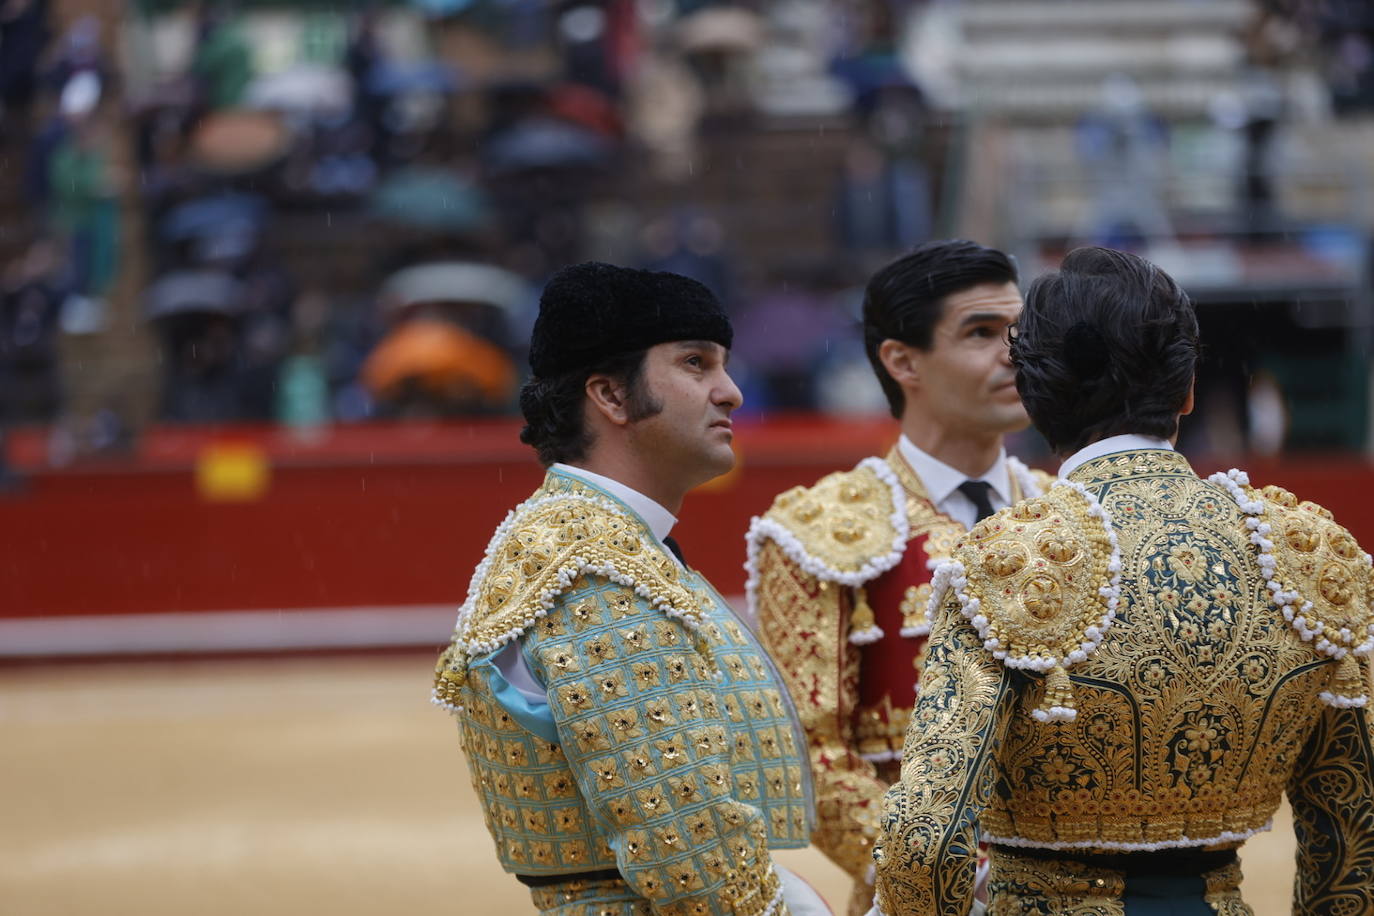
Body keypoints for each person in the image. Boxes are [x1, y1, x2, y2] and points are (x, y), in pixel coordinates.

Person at [873, 247, 1374, 915]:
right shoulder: (1304, 552)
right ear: (1188, 388)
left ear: (1032, 394)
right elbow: (1352, 829)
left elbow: (925, 842)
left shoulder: (1008, 562)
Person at [433, 262, 822, 914]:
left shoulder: (590, 541)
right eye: (696, 364)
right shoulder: (595, 568)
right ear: (611, 396)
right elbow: (691, 863)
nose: (731, 392)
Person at [746, 240, 1052, 915]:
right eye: (980, 333)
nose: (1014, 354)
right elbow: (813, 757)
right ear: (901, 360)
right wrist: (962, 881)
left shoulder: (1074, 514)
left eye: (1019, 333)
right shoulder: (819, 530)